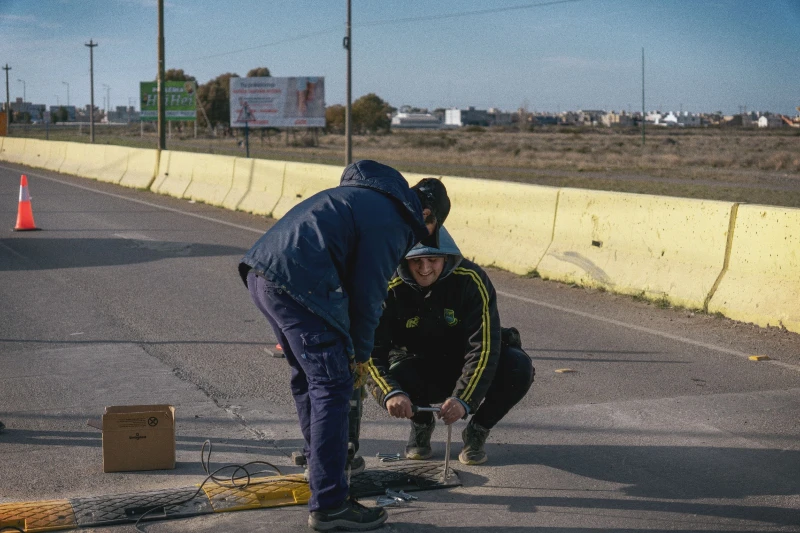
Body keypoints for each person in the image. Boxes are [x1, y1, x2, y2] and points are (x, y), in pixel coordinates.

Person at [239, 159, 449, 532]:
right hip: (298, 284)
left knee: (309, 380)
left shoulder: (365, 196)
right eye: (428, 230)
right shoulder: (395, 220)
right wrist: (362, 357)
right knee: (333, 387)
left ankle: (319, 466)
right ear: (426, 212)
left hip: (263, 273)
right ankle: (331, 505)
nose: (421, 238)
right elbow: (368, 295)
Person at [366, 227, 534, 465]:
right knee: (397, 374)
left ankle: (478, 429)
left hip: (463, 360)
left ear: (446, 257)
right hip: (417, 363)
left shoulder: (472, 280)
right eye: (416, 261)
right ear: (403, 260)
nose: (425, 270)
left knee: (518, 366)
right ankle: (422, 422)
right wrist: (390, 392)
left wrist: (464, 399)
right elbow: (368, 349)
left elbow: (484, 346)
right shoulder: (386, 285)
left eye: (433, 260)